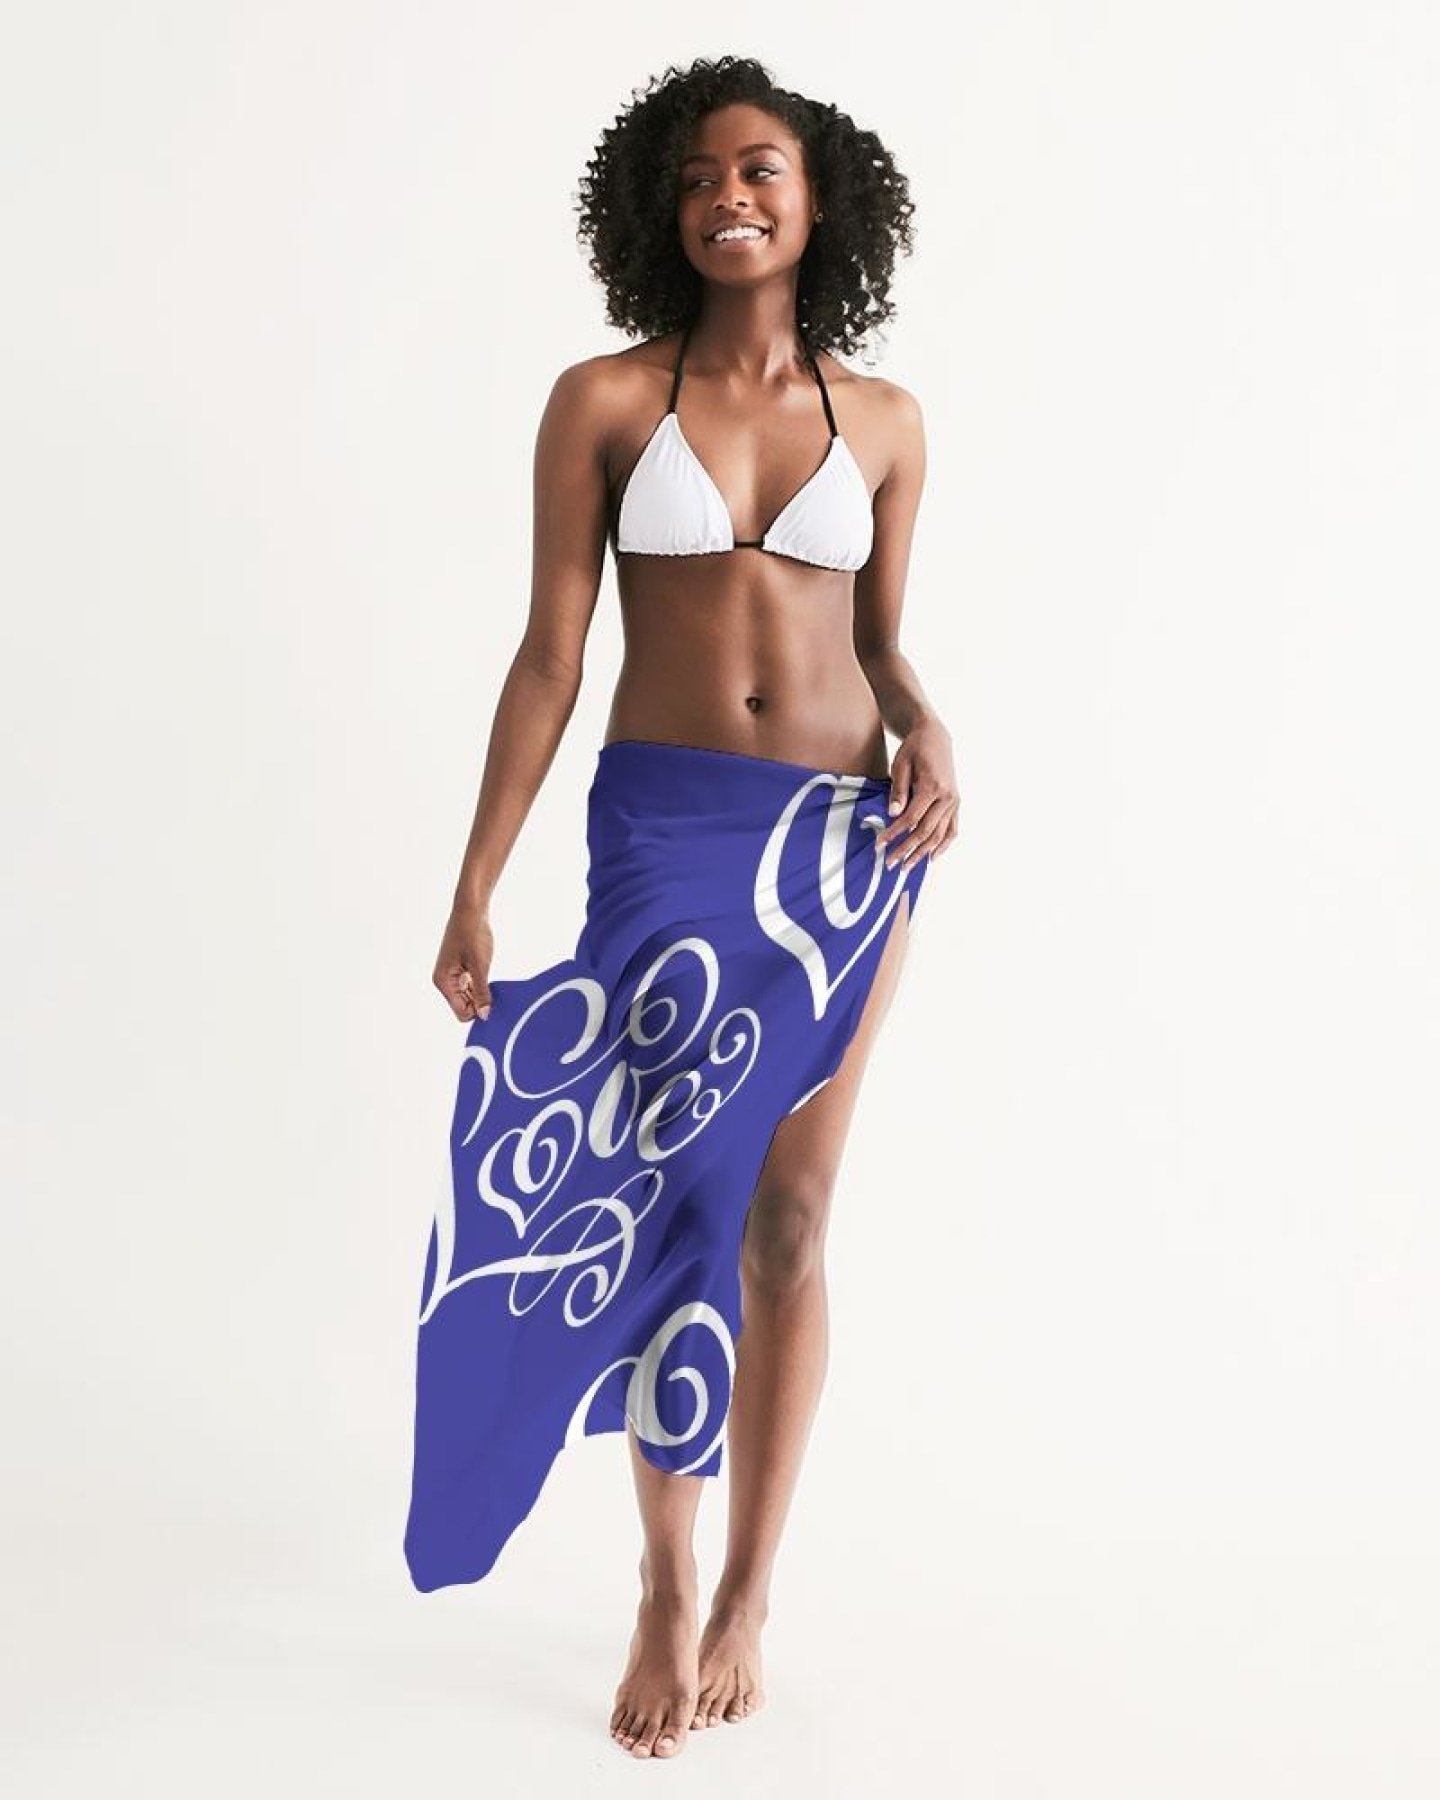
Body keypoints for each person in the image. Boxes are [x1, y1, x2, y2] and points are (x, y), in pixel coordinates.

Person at [404, 54, 961, 1761]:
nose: (731, 195)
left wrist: (931, 724)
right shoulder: (601, 401)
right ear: (664, 206)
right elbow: (550, 656)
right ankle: (662, 1574)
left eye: (762, 168)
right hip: (663, 837)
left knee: (789, 1222)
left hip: (843, 854)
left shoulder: (884, 422)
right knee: (681, 1215)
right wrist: (477, 876)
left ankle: (748, 1594)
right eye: (702, 174)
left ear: (818, 199)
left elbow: (880, 645)